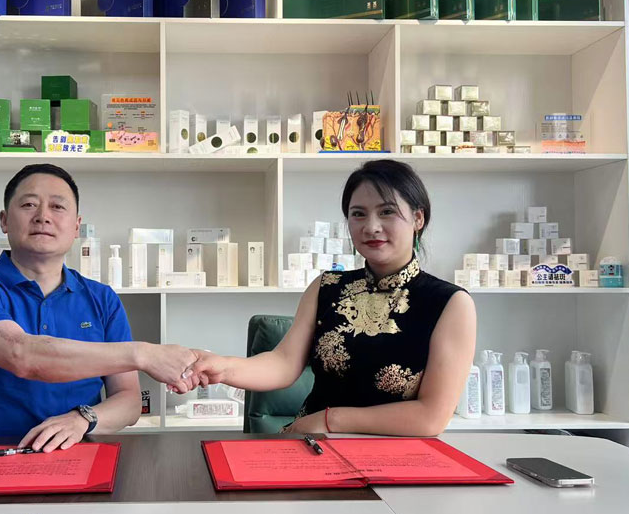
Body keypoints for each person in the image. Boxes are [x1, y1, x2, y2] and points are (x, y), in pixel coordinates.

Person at [193, 159, 476, 436]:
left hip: (394, 453)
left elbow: (431, 417)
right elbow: (283, 362)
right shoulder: (327, 286)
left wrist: (331, 419)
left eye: (387, 211)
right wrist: (222, 367)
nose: (371, 226)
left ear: (418, 218)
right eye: (358, 214)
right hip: (312, 445)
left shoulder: (450, 303)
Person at [0, 163, 198, 451]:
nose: (43, 216)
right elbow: (21, 354)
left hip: (76, 454)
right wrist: (144, 354)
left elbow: (128, 399)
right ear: (4, 221)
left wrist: (83, 419)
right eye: (28, 204)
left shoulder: (102, 298)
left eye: (57, 207)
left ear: (76, 226)